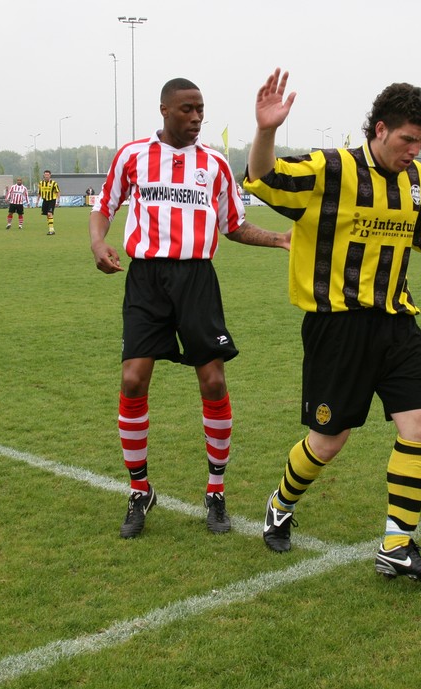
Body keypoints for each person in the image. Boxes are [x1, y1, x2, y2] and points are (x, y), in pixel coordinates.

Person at [245, 68, 421, 582]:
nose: (415, 150)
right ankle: (281, 502)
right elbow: (265, 178)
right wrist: (266, 130)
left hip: (396, 321)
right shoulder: (331, 168)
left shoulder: (415, 179)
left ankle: (396, 546)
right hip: (337, 326)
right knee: (328, 441)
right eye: (408, 139)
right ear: (380, 129)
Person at [90, 77, 290, 539]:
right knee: (133, 379)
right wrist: (98, 242)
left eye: (200, 109)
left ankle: (216, 492)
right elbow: (104, 205)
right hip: (146, 280)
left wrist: (278, 238)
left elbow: (233, 225)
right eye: (187, 109)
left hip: (197, 279)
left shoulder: (214, 164)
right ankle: (139, 490)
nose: (197, 117)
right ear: (164, 110)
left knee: (213, 380)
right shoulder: (132, 156)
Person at [38, 170, 60, 235]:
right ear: (44, 175)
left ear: (50, 175)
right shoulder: (41, 183)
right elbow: (39, 192)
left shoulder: (54, 183)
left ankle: (51, 230)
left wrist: (58, 201)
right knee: (47, 215)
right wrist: (37, 201)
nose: (46, 176)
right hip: (45, 200)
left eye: (48, 175)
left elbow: (58, 192)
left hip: (52, 200)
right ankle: (51, 229)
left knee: (49, 213)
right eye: (45, 175)